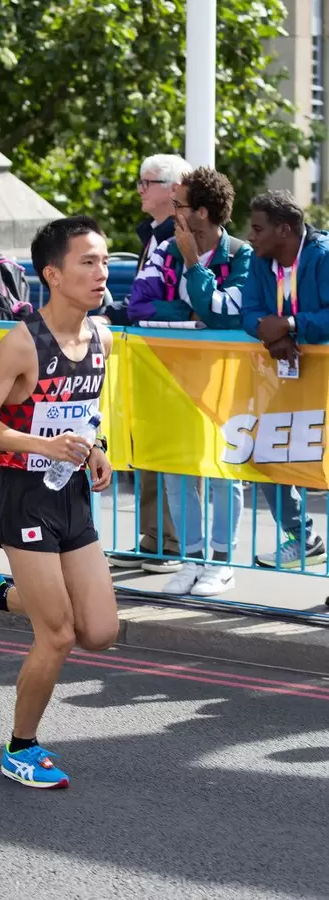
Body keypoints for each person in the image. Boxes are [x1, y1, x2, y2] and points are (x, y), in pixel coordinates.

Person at [0, 215, 119, 788]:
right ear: (53, 274)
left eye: (104, 260)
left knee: (100, 631)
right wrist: (42, 444)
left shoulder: (103, 337)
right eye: (87, 262)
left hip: (70, 493)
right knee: (59, 634)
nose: (101, 273)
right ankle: (21, 747)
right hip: (24, 497)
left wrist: (95, 448)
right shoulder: (23, 342)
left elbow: (87, 411)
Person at [127, 167, 252, 595]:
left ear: (201, 211)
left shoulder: (240, 255)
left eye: (179, 205)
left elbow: (227, 313)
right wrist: (192, 317)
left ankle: (221, 561)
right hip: (172, 377)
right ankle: (192, 558)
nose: (173, 213)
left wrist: (193, 265)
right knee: (178, 470)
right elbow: (138, 305)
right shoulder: (164, 248)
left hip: (224, 381)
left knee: (222, 471)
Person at [104, 154, 192, 574]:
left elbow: (178, 302)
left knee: (167, 451)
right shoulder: (155, 235)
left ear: (173, 189)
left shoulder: (181, 235)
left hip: (172, 359)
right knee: (148, 448)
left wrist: (128, 311)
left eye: (147, 182)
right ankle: (154, 537)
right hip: (151, 355)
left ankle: (171, 543)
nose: (140, 189)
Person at [242, 189, 329, 569]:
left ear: (284, 229)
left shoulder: (323, 257)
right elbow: (249, 312)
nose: (250, 236)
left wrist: (292, 325)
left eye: (258, 228)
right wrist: (275, 336)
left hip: (323, 379)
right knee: (263, 452)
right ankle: (303, 536)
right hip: (286, 377)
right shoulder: (261, 261)